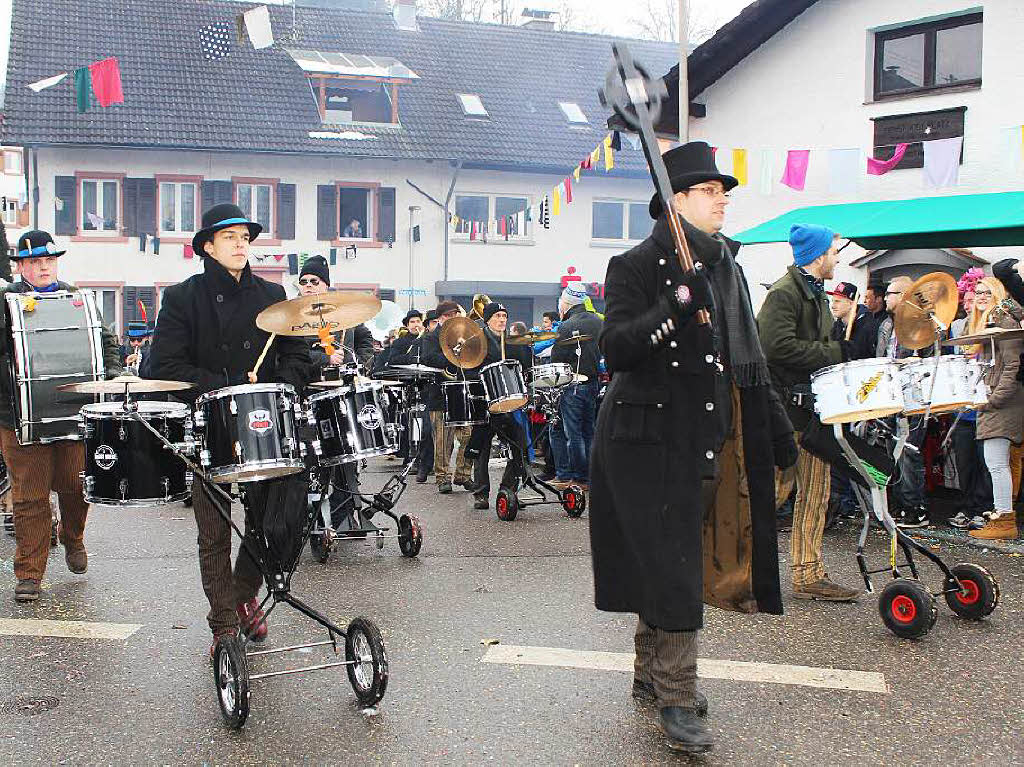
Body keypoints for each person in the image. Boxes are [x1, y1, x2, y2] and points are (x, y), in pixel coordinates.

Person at [590, 142, 795, 753]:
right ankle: (677, 696)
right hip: (643, 439)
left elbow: (742, 358)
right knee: (674, 562)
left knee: (674, 557)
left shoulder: (727, 268)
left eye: (722, 190)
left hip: (704, 433)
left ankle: (649, 671)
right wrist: (676, 303)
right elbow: (618, 348)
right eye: (708, 191)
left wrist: (777, 428)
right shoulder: (635, 265)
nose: (722, 199)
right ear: (674, 201)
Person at [146, 203, 310, 654]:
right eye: (230, 238)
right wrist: (225, 387)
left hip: (266, 423)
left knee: (272, 521)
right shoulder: (184, 297)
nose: (241, 245)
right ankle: (223, 624)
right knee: (213, 532)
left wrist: (282, 385)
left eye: (245, 237)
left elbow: (298, 357)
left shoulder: (273, 295)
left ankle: (241, 595)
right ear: (208, 246)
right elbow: (164, 364)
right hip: (210, 426)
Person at [2, 230, 123, 603]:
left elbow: (105, 341)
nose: (43, 267)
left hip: (73, 410)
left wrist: (114, 375)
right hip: (18, 414)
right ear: (20, 265)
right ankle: (29, 573)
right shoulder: (5, 302)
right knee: (30, 495)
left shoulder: (78, 299)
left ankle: (73, 537)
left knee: (75, 484)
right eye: (35, 262)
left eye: (49, 260)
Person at [757, 224, 860, 603]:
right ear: (818, 256)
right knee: (772, 492)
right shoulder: (785, 294)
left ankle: (808, 573)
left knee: (816, 492)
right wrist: (835, 353)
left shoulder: (815, 294)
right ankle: (728, 563)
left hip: (812, 409)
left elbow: (821, 342)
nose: (837, 258)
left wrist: (842, 352)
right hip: (785, 413)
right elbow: (775, 347)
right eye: (833, 252)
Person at [296, 256, 368, 535]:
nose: (308, 286)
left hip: (338, 395)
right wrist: (322, 359)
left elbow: (364, 338)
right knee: (310, 458)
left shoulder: (343, 314)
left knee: (344, 454)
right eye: (303, 282)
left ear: (325, 285)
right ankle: (307, 516)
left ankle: (344, 514)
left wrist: (360, 363)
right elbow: (291, 357)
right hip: (306, 396)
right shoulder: (292, 317)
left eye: (314, 281)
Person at [963, 277, 1023, 540]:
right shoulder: (984, 322)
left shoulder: (1004, 321)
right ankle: (1001, 515)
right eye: (977, 292)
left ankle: (1004, 520)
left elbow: (1013, 366)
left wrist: (994, 398)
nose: (981, 296)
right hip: (993, 399)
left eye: (987, 292)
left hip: (1004, 402)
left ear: (998, 293)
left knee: (997, 463)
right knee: (996, 462)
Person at [876, 275, 930, 528]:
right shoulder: (886, 325)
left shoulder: (921, 325)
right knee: (891, 450)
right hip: (890, 395)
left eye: (891, 293)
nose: (886, 298)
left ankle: (914, 507)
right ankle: (898, 503)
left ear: (905, 296)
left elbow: (930, 362)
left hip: (913, 397)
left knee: (909, 451)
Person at [467, 303, 532, 510]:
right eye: (497, 316)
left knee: (520, 444)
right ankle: (481, 493)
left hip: (510, 403)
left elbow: (524, 369)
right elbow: (468, 368)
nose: (502, 319)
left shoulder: (514, 342)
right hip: (484, 400)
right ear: (487, 319)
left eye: (504, 315)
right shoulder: (477, 342)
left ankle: (508, 490)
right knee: (482, 448)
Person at [948, 268, 993, 530]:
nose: (974, 300)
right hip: (963, 406)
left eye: (983, 294)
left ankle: (983, 509)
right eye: (974, 295)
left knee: (986, 463)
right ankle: (967, 506)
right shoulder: (959, 326)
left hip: (986, 405)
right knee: (964, 461)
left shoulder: (996, 323)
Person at [549, 283, 603, 490]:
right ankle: (587, 476)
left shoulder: (566, 326)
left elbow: (557, 359)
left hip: (571, 385)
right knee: (588, 431)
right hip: (592, 382)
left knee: (570, 432)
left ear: (567, 304)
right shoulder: (598, 321)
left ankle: (575, 478)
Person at [418, 300, 474, 494]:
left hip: (461, 390)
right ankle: (442, 478)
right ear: (441, 318)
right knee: (443, 440)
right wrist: (452, 353)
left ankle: (463, 474)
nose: (452, 318)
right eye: (448, 315)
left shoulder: (462, 334)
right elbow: (429, 359)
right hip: (440, 392)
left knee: (468, 435)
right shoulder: (431, 337)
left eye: (455, 314)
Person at [827, 282, 875, 361]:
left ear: (851, 304)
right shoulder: (837, 325)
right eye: (833, 301)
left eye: (837, 301)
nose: (832, 306)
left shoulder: (868, 325)